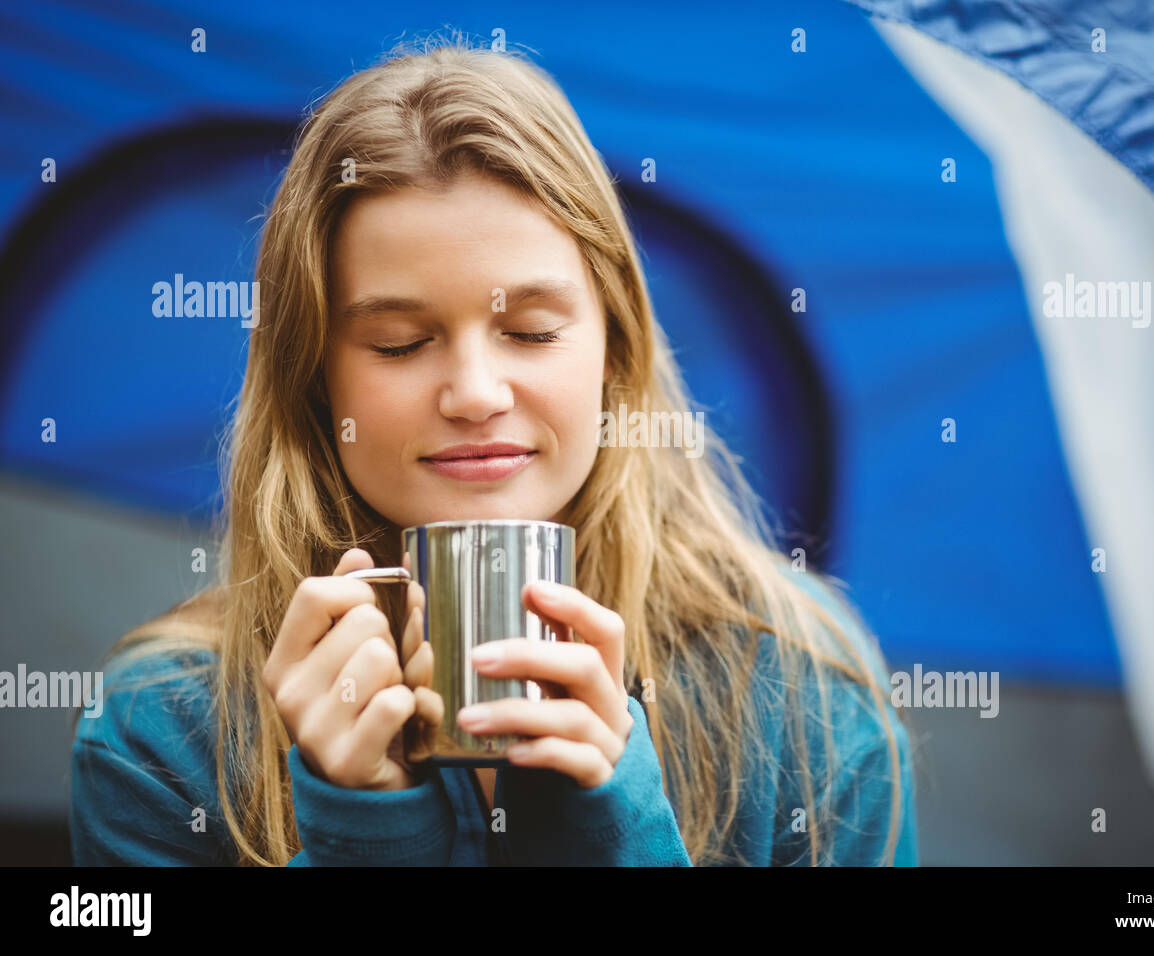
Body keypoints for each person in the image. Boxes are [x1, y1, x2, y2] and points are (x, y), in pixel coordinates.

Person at [69, 36, 919, 866]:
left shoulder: (803, 687)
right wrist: (363, 837)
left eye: (531, 331)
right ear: (311, 378)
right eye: (399, 343)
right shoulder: (157, 736)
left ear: (615, 349)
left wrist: (614, 836)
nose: (475, 393)